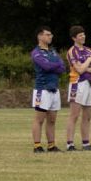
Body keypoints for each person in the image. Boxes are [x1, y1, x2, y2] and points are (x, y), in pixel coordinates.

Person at [30, 25, 66, 153]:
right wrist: (55, 65)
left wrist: (53, 65)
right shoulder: (36, 52)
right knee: (39, 119)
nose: (50, 37)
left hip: (54, 89)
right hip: (42, 89)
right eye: (47, 34)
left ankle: (51, 146)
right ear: (40, 36)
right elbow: (46, 67)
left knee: (52, 119)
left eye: (51, 35)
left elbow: (62, 68)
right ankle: (37, 146)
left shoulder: (53, 52)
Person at [64, 25, 91, 151]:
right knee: (74, 115)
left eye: (83, 34)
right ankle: (70, 144)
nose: (83, 36)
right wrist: (89, 62)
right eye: (80, 35)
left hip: (89, 84)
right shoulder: (72, 51)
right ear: (74, 38)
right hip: (77, 84)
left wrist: (87, 65)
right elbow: (78, 70)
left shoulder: (89, 51)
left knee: (87, 116)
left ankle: (85, 143)